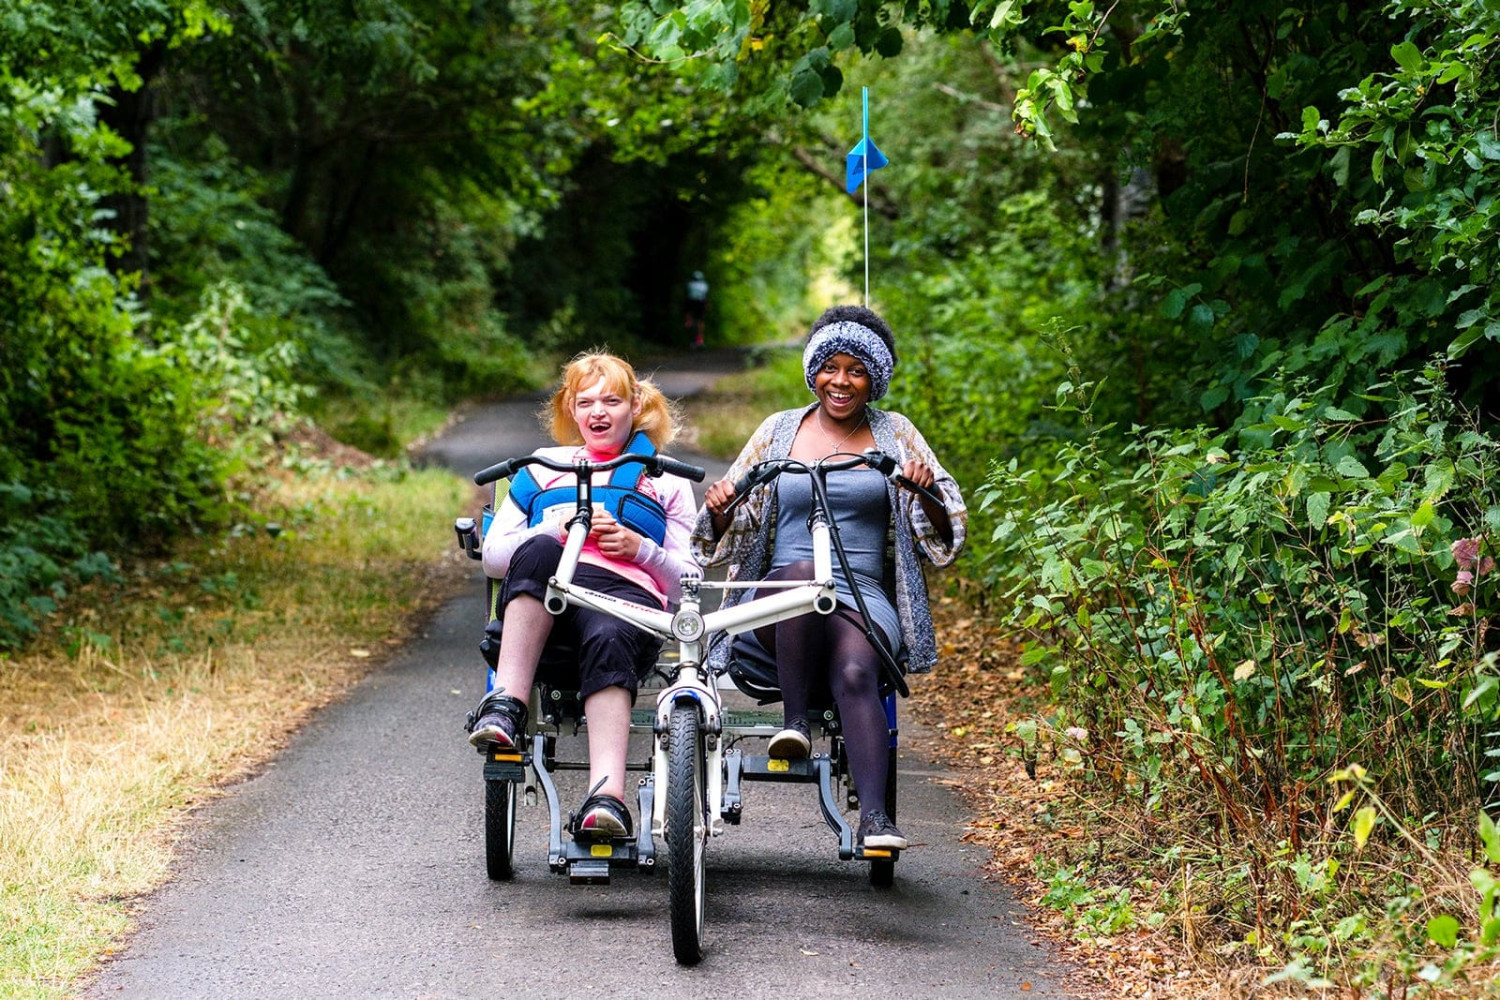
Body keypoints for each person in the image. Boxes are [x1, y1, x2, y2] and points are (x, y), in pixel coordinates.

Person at [694, 305, 966, 851]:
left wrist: (924, 491)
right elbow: (728, 524)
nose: (840, 381)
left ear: (875, 380)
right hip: (777, 598)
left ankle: (876, 821)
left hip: (863, 599)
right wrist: (723, 505)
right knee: (799, 575)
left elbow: (947, 530)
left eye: (857, 370)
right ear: (813, 370)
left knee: (856, 670)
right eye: (830, 367)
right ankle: (794, 722)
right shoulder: (778, 432)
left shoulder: (897, 435)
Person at [467, 351, 701, 841]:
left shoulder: (668, 478)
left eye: (611, 400)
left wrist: (641, 549)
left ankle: (607, 797)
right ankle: (505, 705)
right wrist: (554, 526)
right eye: (586, 401)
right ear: (570, 409)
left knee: (608, 633)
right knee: (533, 549)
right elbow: (493, 557)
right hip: (545, 601)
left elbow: (688, 584)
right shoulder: (542, 469)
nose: (598, 412)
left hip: (623, 606)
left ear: (635, 405)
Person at [684, 270, 709, 348]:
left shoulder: (690, 284)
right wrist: (706, 305)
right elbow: (705, 296)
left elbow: (687, 294)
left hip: (691, 302)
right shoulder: (704, 285)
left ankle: (688, 321)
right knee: (700, 321)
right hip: (700, 303)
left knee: (688, 312)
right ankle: (700, 339)